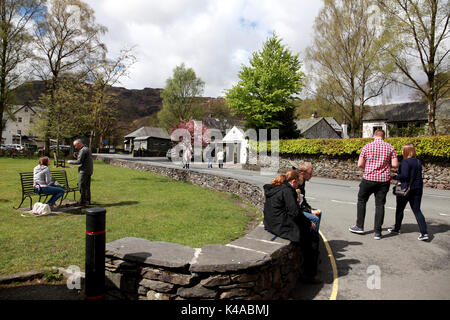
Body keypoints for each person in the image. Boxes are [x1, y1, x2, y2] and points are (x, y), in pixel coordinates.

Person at [263, 170, 320, 284]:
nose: (297, 186)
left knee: (307, 234)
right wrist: (308, 223)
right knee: (313, 238)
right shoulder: (287, 191)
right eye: (297, 184)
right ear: (293, 181)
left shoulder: (276, 187)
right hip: (280, 225)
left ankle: (309, 265)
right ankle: (309, 275)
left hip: (270, 223)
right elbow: (295, 213)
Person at [349, 129, 398, 240]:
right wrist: (385, 165)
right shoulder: (390, 147)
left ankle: (359, 226)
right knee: (380, 205)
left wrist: (369, 166)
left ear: (374, 136)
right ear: (383, 137)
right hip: (383, 180)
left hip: (368, 178)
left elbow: (360, 164)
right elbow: (395, 164)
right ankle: (377, 232)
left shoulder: (367, 147)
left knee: (361, 201)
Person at [389, 144, 429, 241]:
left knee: (400, 209)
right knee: (417, 210)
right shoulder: (418, 161)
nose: (402, 152)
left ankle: (397, 228)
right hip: (417, 189)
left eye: (403, 150)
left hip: (405, 189)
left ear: (406, 151)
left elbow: (404, 176)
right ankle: (424, 233)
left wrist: (393, 176)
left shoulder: (406, 161)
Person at [293, 162, 322, 234]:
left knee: (319, 213)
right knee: (315, 218)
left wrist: (309, 208)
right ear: (303, 173)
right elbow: (295, 203)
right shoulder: (296, 183)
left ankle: (313, 237)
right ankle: (313, 241)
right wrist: (309, 211)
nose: (311, 176)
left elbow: (302, 199)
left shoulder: (302, 181)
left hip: (299, 208)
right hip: (294, 211)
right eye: (310, 174)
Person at [68, 139, 93, 207]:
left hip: (84, 171)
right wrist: (77, 156)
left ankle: (82, 201)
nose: (75, 147)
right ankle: (88, 200)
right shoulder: (87, 149)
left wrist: (70, 162)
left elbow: (79, 161)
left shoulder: (83, 150)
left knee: (81, 186)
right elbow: (84, 159)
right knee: (87, 186)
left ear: (79, 143)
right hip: (89, 170)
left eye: (75, 145)